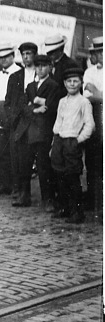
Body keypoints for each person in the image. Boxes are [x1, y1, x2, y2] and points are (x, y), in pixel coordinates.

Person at [11, 54, 60, 208]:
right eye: (37, 66)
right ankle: (24, 196)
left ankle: (48, 199)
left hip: (43, 131)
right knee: (24, 165)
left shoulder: (53, 85)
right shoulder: (30, 86)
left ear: (50, 67)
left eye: (44, 66)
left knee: (43, 167)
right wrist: (35, 109)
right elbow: (22, 104)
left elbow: (51, 107)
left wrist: (37, 104)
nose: (40, 69)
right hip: (27, 130)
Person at [51, 67, 95, 224]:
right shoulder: (62, 101)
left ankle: (78, 212)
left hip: (71, 142)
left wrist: (78, 140)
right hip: (59, 141)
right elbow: (58, 122)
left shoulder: (84, 102)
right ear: (64, 83)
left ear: (81, 83)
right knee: (60, 177)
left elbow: (90, 125)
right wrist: (54, 143)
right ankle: (65, 208)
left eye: (75, 81)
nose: (72, 84)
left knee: (72, 177)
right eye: (69, 81)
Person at [4, 42, 38, 200]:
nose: (26, 57)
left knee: (31, 158)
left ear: (35, 55)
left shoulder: (40, 74)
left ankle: (28, 193)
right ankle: (19, 190)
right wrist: (12, 117)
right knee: (17, 157)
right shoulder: (15, 76)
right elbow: (8, 101)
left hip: (35, 122)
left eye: (29, 53)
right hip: (18, 123)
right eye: (23, 54)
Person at [0, 42, 21, 196]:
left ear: (12, 57)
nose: (3, 60)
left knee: (13, 152)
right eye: (0, 58)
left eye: (6, 57)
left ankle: (15, 186)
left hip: (13, 113)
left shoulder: (19, 73)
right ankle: (2, 184)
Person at [82, 37, 102, 213]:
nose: (99, 55)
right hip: (94, 116)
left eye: (101, 51)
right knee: (92, 159)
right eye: (97, 52)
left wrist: (97, 92)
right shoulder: (89, 72)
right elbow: (86, 95)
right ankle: (93, 198)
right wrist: (99, 94)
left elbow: (95, 94)